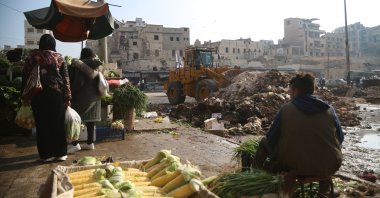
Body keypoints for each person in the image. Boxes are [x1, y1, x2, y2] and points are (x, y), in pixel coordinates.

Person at [253, 72, 344, 195]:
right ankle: (325, 189)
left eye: (291, 91)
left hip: (293, 166)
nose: (290, 94)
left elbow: (270, 140)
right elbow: (340, 138)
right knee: (325, 150)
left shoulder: (286, 110)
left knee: (263, 142)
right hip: (329, 165)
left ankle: (257, 178)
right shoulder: (329, 109)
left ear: (296, 91)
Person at [22, 34, 71, 162]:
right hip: (56, 95)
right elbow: (66, 79)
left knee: (42, 124)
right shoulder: (59, 57)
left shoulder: (31, 57)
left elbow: (25, 78)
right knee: (58, 124)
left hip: (37, 95)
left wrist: (24, 97)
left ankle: (46, 155)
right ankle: (60, 153)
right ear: (53, 45)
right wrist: (68, 97)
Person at [67, 48, 103, 153]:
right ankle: (90, 143)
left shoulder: (78, 65)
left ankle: (75, 144)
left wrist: (71, 92)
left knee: (76, 120)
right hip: (95, 97)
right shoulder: (97, 64)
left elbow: (78, 82)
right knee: (90, 120)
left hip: (81, 97)